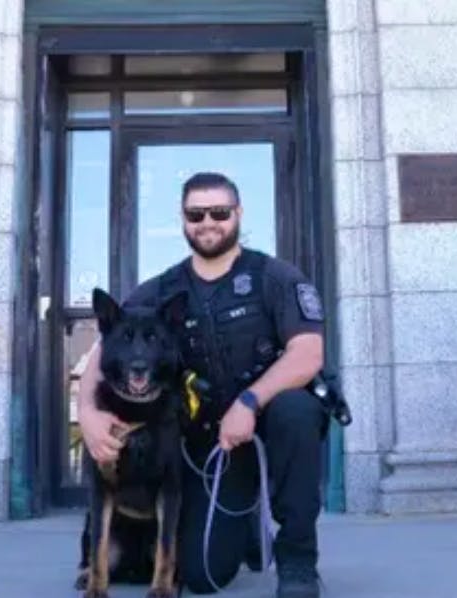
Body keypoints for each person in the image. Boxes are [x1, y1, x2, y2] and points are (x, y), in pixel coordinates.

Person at [76, 171, 328, 597]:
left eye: (219, 212)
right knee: (200, 575)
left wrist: (249, 401)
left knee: (298, 411)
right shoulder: (161, 290)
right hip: (207, 448)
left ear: (238, 214)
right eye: (196, 213)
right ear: (183, 219)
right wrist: (88, 416)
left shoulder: (274, 277)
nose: (208, 222)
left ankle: (298, 560)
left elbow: (308, 354)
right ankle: (243, 522)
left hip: (264, 426)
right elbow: (106, 354)